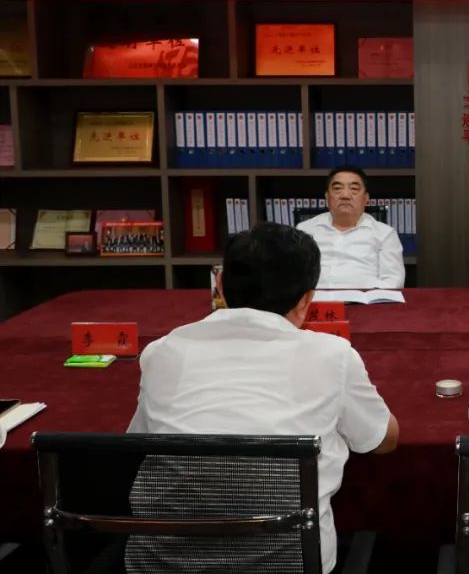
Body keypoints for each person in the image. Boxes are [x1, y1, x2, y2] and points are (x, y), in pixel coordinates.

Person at [128, 222, 399, 574]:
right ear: (306, 300)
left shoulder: (163, 351)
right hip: (291, 564)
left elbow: (136, 444)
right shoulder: (332, 355)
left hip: (163, 565)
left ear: (220, 286)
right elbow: (382, 441)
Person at [297, 166, 405, 289]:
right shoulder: (305, 230)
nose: (345, 195)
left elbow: (393, 281)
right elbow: (294, 275)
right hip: (316, 299)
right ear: (327, 197)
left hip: (366, 299)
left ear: (366, 198)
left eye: (354, 189)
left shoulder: (385, 234)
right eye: (337, 189)